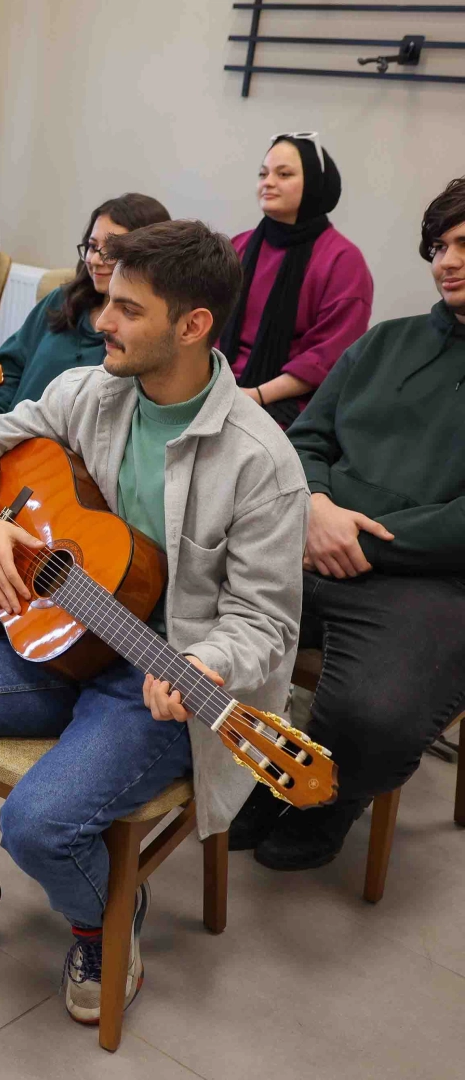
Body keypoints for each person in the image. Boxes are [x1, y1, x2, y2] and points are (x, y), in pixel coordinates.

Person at [0, 220, 308, 1025]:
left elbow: (265, 622)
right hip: (59, 645)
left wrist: (206, 663)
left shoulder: (261, 460)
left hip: (157, 682)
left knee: (35, 824)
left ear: (192, 325)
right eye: (108, 300)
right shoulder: (87, 392)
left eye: (128, 309)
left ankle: (102, 923)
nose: (102, 320)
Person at [227, 175, 465, 870]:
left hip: (428, 580)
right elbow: (304, 440)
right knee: (191, 626)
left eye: (464, 245)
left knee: (374, 716)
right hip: (309, 542)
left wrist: (353, 537)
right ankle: (261, 773)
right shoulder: (383, 343)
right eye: (440, 245)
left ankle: (325, 805)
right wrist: (313, 507)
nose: (447, 260)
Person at [0, 194, 171, 665]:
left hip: (58, 483)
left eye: (113, 248)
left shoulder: (142, 342)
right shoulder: (59, 303)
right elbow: (4, 372)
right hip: (8, 442)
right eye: (92, 244)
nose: (96, 258)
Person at [219, 133, 373, 426]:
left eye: (284, 174)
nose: (268, 182)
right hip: (220, 387)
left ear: (315, 183)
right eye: (263, 174)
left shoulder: (343, 261)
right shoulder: (236, 247)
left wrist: (255, 395)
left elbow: (328, 356)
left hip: (293, 408)